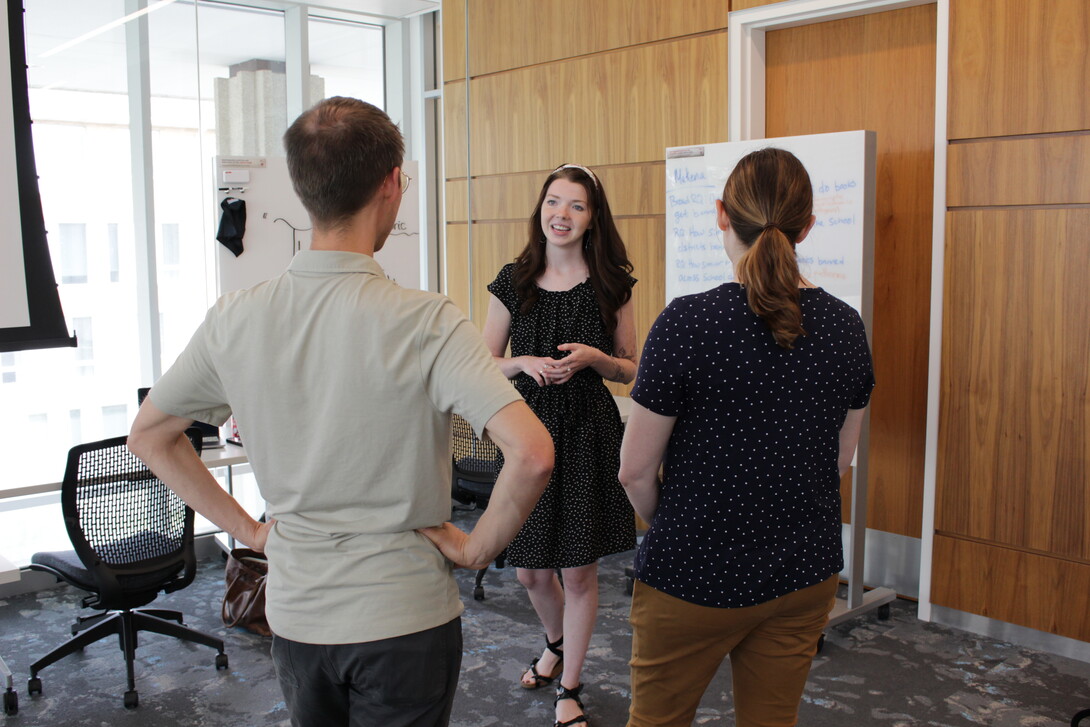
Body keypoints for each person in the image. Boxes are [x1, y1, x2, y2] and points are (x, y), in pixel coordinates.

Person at [128, 96, 554, 727]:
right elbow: (533, 452)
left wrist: (248, 531)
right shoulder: (428, 321)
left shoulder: (235, 319)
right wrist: (475, 549)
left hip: (298, 617)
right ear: (391, 184)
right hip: (406, 615)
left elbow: (151, 436)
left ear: (304, 190)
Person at [618, 148, 876, 727]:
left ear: (719, 215)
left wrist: (675, 524)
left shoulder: (686, 323)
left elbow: (633, 471)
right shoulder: (844, 325)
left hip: (693, 572)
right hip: (803, 573)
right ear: (808, 226)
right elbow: (840, 459)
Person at [480, 163, 637, 727]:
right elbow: (482, 364)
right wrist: (520, 362)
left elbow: (632, 370)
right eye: (553, 202)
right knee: (529, 572)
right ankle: (555, 643)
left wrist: (597, 360)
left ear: (593, 218)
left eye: (576, 205)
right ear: (540, 208)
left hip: (588, 433)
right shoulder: (513, 279)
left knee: (577, 573)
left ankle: (570, 686)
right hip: (528, 436)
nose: (561, 215)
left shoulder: (611, 281)